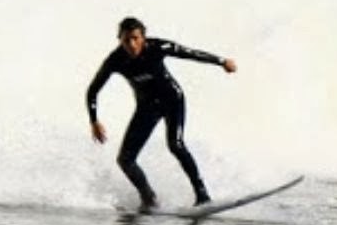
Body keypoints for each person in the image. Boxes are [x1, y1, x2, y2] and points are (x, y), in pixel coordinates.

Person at [86, 16, 237, 211]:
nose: (131, 44)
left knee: (175, 144)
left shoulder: (157, 47)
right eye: (126, 40)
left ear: (143, 38)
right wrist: (94, 121)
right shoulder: (115, 60)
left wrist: (222, 61)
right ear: (120, 40)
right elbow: (93, 90)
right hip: (147, 106)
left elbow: (189, 53)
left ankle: (202, 195)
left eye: (135, 38)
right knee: (125, 160)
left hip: (172, 99)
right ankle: (148, 197)